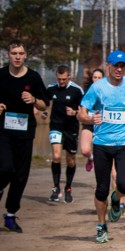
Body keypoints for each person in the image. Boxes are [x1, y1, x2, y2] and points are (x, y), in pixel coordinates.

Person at [77, 50, 125, 243]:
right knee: (101, 189)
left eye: (123, 66)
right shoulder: (98, 88)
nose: (119, 69)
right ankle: (101, 225)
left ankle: (116, 200)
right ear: (108, 66)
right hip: (102, 145)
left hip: (124, 144)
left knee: (124, 185)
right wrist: (89, 118)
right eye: (116, 65)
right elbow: (81, 113)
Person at [0, 40, 48, 232]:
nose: (17, 56)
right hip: (3, 130)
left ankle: (10, 214)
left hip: (25, 131)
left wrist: (34, 100)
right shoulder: (1, 75)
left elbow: (45, 104)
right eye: (14, 53)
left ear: (26, 55)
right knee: (5, 167)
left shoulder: (34, 77)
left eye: (21, 53)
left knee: (20, 175)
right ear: (8, 55)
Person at [45, 65, 85, 203]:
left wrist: (74, 112)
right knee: (56, 156)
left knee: (70, 160)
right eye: (59, 79)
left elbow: (84, 111)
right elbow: (44, 103)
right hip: (56, 126)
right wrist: (44, 112)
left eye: (64, 79)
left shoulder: (77, 90)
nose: (61, 82)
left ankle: (68, 187)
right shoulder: (51, 88)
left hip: (71, 129)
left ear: (69, 76)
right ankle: (56, 188)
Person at [80, 68, 105, 172]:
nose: (97, 79)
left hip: (103, 125)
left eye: (100, 78)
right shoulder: (86, 92)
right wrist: (86, 117)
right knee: (85, 150)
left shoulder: (108, 91)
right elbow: (81, 110)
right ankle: (91, 157)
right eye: (95, 77)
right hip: (89, 123)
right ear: (92, 79)